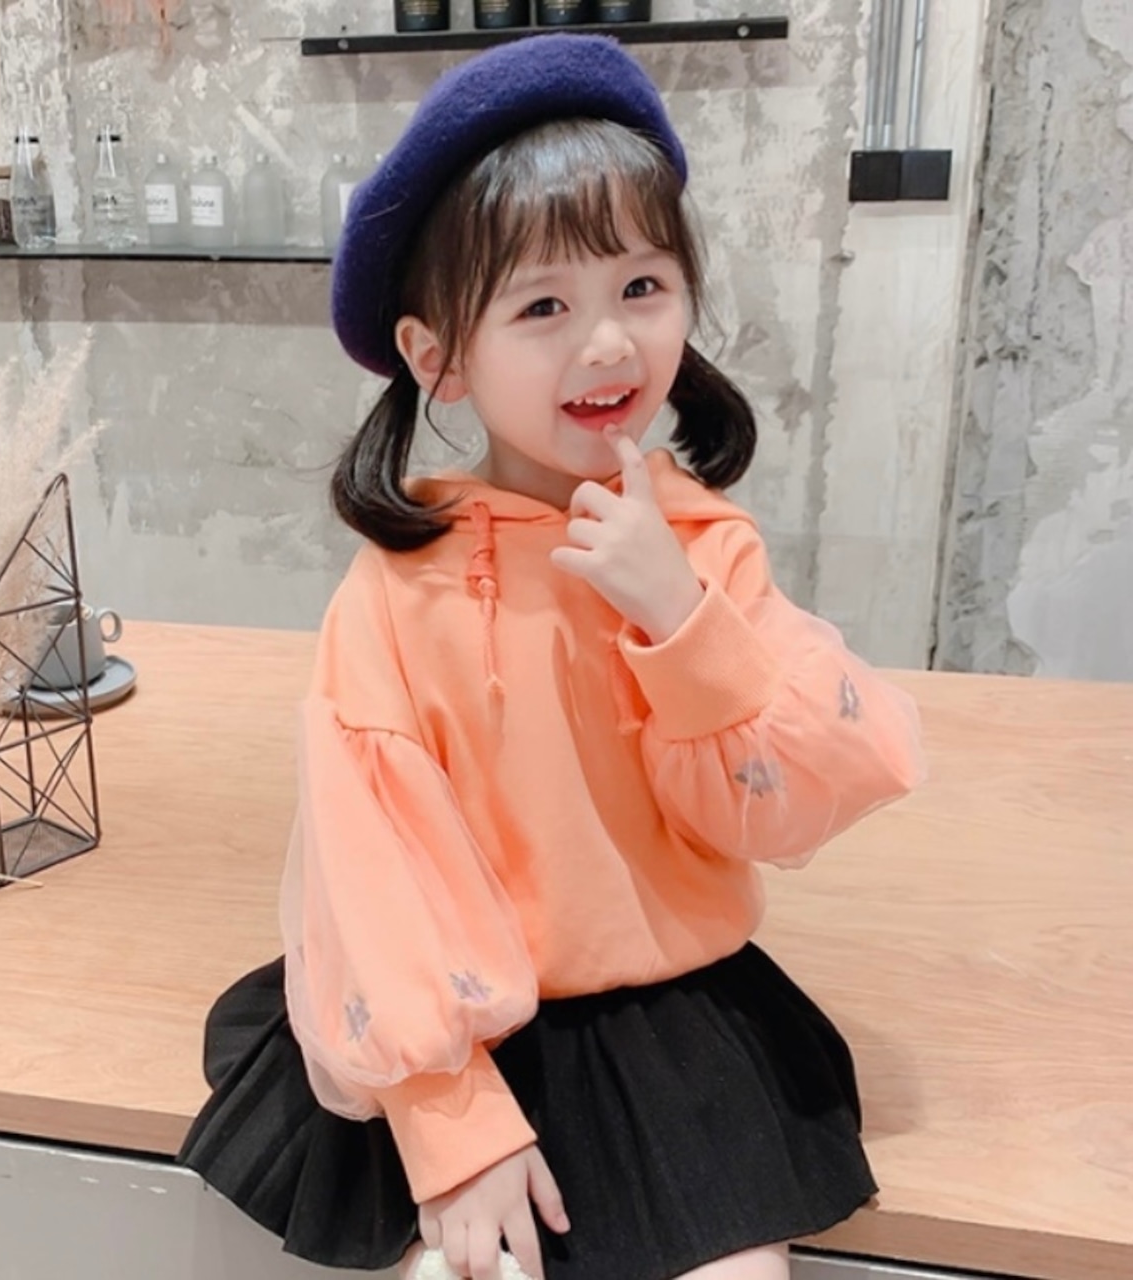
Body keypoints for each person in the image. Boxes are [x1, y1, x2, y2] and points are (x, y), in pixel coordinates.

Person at [178, 32, 925, 1280]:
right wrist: (447, 1118)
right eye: (542, 306)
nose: (609, 345)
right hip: (448, 1029)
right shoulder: (396, 588)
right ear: (436, 357)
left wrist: (677, 616)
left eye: (642, 285)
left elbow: (779, 805)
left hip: (666, 1023)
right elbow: (369, 855)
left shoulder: (701, 545)